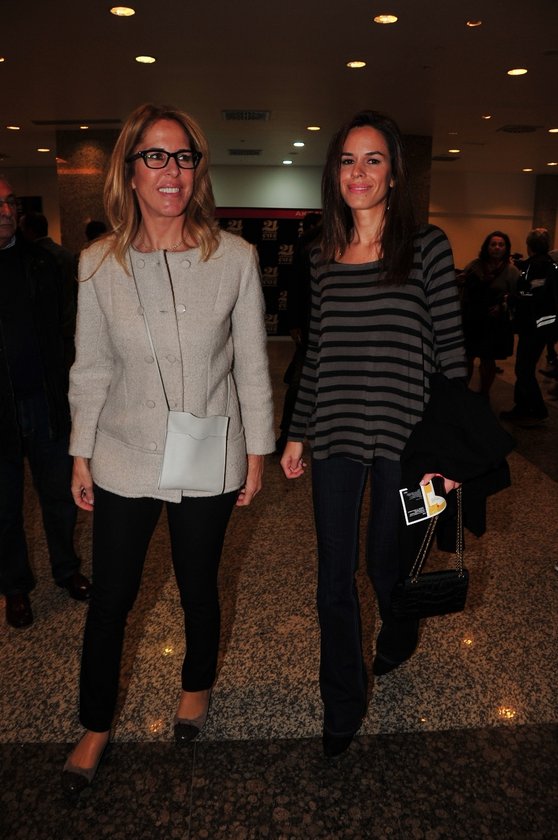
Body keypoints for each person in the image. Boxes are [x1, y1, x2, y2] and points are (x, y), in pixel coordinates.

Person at [62, 103, 274, 799]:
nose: (172, 170)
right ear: (129, 170)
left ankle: (197, 683)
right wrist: (81, 451)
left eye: (183, 157)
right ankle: (95, 722)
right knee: (111, 599)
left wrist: (257, 451)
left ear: (197, 170)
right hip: (124, 453)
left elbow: (252, 364)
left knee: (198, 584)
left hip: (209, 452)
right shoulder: (98, 263)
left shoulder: (235, 258)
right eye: (155, 156)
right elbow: (91, 368)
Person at [280, 110, 467, 758]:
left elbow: (452, 355)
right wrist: (297, 434)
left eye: (373, 159)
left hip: (410, 441)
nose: (358, 172)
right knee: (333, 573)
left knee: (392, 563)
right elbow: (317, 353)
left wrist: (450, 452)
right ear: (334, 173)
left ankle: (401, 624)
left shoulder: (428, 247)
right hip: (334, 433)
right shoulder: (319, 255)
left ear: (393, 174)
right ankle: (342, 699)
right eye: (347, 160)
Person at [0, 179, 91, 630]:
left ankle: (66, 568)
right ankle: (15, 587)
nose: (4, 211)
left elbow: (70, 332)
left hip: (44, 403)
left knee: (59, 495)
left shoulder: (45, 263)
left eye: (9, 202)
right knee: (4, 507)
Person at [500, 228, 558, 424]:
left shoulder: (539, 265)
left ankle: (536, 410)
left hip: (534, 326)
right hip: (541, 325)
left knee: (524, 369)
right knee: (524, 368)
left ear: (529, 245)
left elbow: (534, 293)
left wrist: (512, 298)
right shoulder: (546, 263)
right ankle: (523, 407)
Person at [275, 212, 321, 453]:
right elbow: (296, 285)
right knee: (299, 383)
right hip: (311, 326)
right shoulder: (309, 243)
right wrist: (294, 322)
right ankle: (287, 435)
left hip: (330, 327)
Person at [458, 231, 519, 396]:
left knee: (488, 358)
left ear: (506, 248)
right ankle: (463, 393)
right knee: (467, 357)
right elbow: (463, 291)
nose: (497, 248)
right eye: (493, 244)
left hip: (494, 323)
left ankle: (484, 394)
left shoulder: (512, 271)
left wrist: (503, 306)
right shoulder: (474, 266)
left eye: (501, 245)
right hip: (472, 319)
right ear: (487, 247)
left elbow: (517, 297)